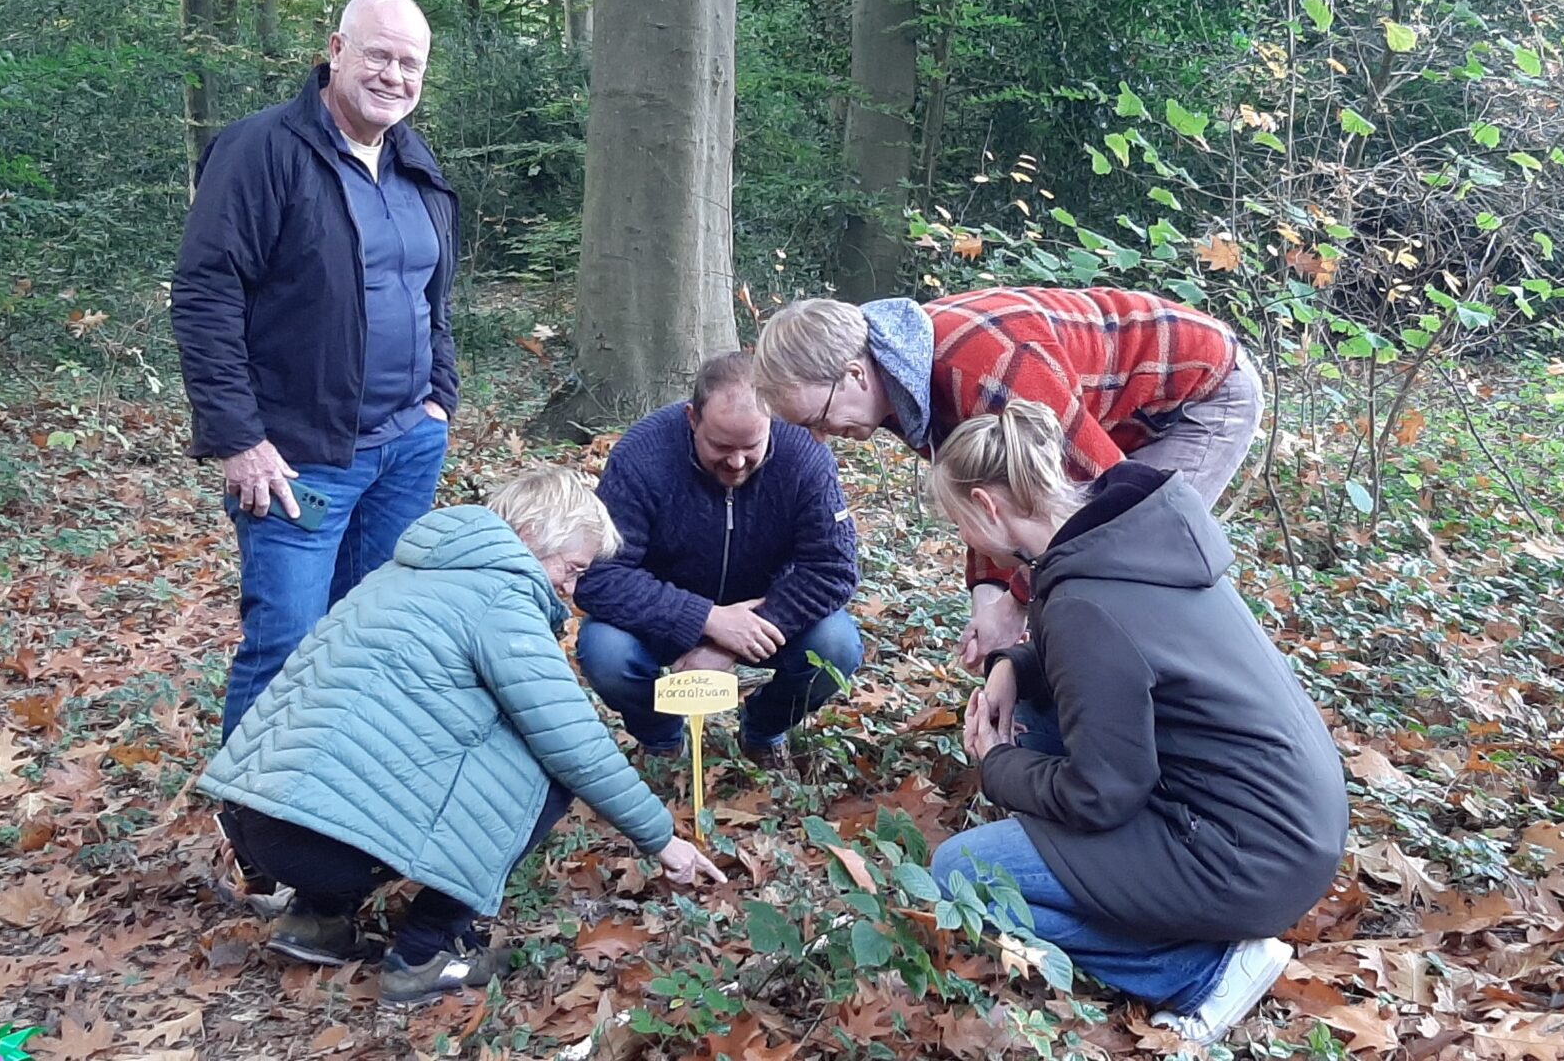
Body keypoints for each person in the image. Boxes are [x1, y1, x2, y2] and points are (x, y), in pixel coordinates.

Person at [200, 468, 729, 1005]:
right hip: (325, 839)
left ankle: (318, 918)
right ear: (531, 534)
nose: (571, 591)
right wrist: (663, 840)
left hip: (258, 819)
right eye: (571, 569)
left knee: (384, 736)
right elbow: (577, 745)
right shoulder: (501, 595)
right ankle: (427, 950)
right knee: (544, 763)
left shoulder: (401, 572)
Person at [919, 400, 1346, 1046]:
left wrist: (998, 764)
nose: (966, 538)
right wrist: (1014, 666)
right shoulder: (1129, 539)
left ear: (988, 507)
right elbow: (1127, 669)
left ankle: (1204, 972)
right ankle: (1134, 894)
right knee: (1034, 710)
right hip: (1291, 827)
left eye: (960, 523)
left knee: (961, 873)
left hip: (1245, 859)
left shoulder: (1084, 601)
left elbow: (1102, 793)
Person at [173, 0, 463, 739]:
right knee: (287, 645)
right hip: (298, 458)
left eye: (410, 63)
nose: (393, 75)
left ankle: (333, 790)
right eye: (378, 55)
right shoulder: (260, 150)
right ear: (336, 51)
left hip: (406, 449)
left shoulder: (413, 161)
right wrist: (238, 438)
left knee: (368, 637)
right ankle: (255, 808)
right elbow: (205, 296)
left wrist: (440, 396)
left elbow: (432, 292)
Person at [752, 287, 1260, 673]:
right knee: (1083, 571)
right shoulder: (899, 385)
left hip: (1198, 395)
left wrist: (1015, 603)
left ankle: (1205, 686)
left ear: (855, 374)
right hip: (1113, 417)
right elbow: (987, 495)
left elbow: (1102, 504)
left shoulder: (987, 370)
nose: (822, 438)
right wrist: (988, 599)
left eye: (819, 419)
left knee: (1139, 550)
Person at [573, 353, 863, 767]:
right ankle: (661, 740)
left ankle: (762, 731)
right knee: (606, 651)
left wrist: (735, 638)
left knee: (836, 645)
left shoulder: (805, 456)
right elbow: (601, 575)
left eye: (752, 446)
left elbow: (833, 570)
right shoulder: (641, 455)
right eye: (721, 446)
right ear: (692, 418)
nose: (737, 462)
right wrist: (708, 620)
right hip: (661, 617)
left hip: (766, 618)